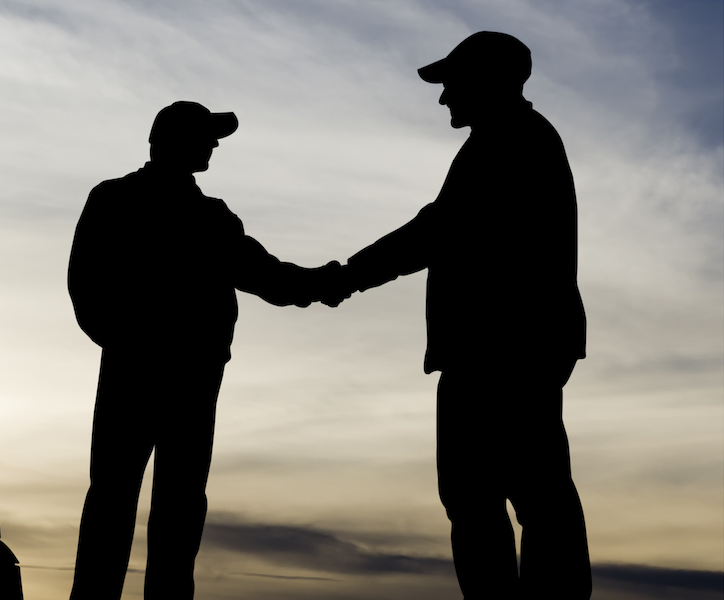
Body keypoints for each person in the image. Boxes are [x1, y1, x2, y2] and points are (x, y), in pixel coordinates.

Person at [333, 32, 591, 599]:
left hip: (501, 350)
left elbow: (438, 229)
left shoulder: (512, 142)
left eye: (452, 84)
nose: (444, 97)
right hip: (510, 346)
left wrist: (347, 275)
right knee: (507, 494)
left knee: (505, 496)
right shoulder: (507, 140)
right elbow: (442, 226)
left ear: (486, 81)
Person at [67, 100, 345, 600]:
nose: (214, 145)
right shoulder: (117, 199)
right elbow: (85, 284)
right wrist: (128, 341)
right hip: (142, 368)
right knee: (117, 493)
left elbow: (268, 277)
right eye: (204, 136)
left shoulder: (211, 216)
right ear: (168, 140)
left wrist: (325, 281)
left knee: (176, 499)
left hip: (192, 375)